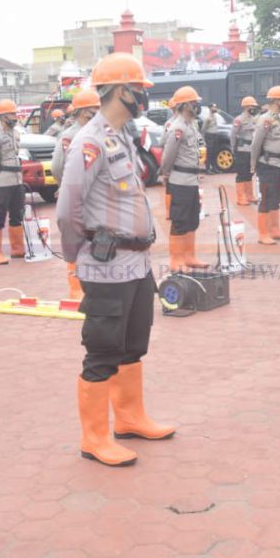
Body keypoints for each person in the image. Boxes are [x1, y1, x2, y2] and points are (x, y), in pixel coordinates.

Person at [56, 52, 172, 468]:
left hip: (136, 264)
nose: (143, 96)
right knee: (103, 349)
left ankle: (129, 418)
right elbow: (68, 208)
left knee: (132, 343)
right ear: (121, 91)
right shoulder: (89, 140)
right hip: (105, 265)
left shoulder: (122, 135)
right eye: (139, 89)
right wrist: (77, 259)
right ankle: (94, 437)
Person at [51, 88, 101, 299]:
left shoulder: (99, 133)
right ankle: (75, 289)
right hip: (74, 197)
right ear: (81, 112)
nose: (98, 114)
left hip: (94, 198)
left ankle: (93, 285)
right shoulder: (70, 136)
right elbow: (57, 168)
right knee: (74, 239)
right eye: (93, 111)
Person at [158, 86, 210, 270]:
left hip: (192, 180)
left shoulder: (191, 125)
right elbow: (168, 155)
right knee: (179, 220)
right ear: (184, 105)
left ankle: (190, 256)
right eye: (194, 102)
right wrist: (164, 173)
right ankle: (176, 259)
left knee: (192, 218)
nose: (197, 105)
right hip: (180, 180)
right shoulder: (178, 127)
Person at [248, 85, 280, 244]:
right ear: (276, 100)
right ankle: (263, 234)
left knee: (277, 197)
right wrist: (253, 164)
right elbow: (256, 144)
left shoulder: (279, 118)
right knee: (266, 198)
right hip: (267, 164)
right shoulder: (265, 119)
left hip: (278, 164)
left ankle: (274, 230)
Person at [0, 99, 25, 265]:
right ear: (2, 116)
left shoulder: (15, 133)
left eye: (15, 113)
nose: (15, 117)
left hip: (17, 180)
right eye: (11, 114)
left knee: (17, 215)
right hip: (1, 181)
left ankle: (17, 249)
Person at [230, 96, 258, 205]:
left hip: (251, 150)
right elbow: (233, 134)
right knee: (242, 173)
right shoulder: (239, 119)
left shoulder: (253, 119)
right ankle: (241, 197)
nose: (253, 108)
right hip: (242, 150)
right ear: (245, 106)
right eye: (251, 106)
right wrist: (233, 148)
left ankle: (250, 196)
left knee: (250, 173)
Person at [202, 102, 220, 173]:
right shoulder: (208, 118)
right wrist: (203, 139)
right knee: (209, 153)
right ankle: (207, 169)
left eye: (215, 107)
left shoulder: (214, 116)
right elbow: (203, 129)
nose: (215, 108)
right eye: (213, 107)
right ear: (210, 108)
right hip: (209, 136)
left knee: (214, 152)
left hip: (214, 135)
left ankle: (214, 168)